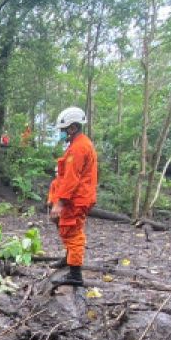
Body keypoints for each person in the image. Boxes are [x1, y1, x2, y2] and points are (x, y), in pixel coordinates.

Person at [47, 106, 98, 288]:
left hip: (76, 198)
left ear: (72, 128)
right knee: (65, 228)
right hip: (76, 197)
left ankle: (75, 274)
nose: (61, 133)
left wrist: (60, 203)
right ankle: (69, 259)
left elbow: (71, 178)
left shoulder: (79, 148)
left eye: (63, 130)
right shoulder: (78, 145)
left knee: (72, 231)